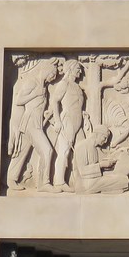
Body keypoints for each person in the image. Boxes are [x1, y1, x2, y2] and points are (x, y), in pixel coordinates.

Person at [6, 57, 59, 192]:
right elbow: (19, 100)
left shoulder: (44, 87)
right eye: (53, 75)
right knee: (47, 150)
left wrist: (46, 114)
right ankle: (44, 183)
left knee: (22, 151)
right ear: (47, 71)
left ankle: (10, 179)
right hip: (30, 122)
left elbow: (38, 106)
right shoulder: (32, 82)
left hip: (36, 122)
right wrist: (35, 93)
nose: (53, 78)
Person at [48, 59, 85, 190]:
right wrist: (58, 121)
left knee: (81, 150)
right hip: (67, 121)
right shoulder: (63, 84)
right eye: (77, 69)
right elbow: (54, 102)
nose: (80, 71)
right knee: (64, 151)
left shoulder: (77, 86)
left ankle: (82, 180)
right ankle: (59, 182)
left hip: (78, 121)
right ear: (70, 69)